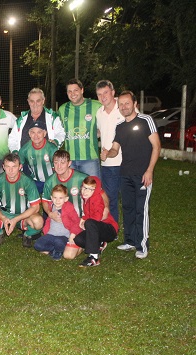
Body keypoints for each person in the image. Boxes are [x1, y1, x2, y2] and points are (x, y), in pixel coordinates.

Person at [101, 90, 161, 259]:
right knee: (128, 208)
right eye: (121, 104)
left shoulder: (146, 120)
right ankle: (130, 241)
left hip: (142, 175)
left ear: (135, 104)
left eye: (127, 103)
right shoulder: (120, 126)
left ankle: (142, 245)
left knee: (141, 209)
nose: (124, 107)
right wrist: (107, 153)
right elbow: (115, 149)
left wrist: (149, 171)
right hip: (125, 174)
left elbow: (156, 146)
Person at [0, 153, 43, 247]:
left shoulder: (27, 181)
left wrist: (16, 219)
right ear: (3, 167)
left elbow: (36, 207)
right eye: (8, 166)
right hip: (4, 214)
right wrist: (4, 218)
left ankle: (27, 234)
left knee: (39, 222)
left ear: (20, 167)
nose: (11, 170)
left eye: (14, 166)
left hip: (23, 215)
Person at [58, 78, 102, 178]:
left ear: (82, 90)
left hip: (90, 159)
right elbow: (57, 131)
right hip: (69, 161)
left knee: (93, 190)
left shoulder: (96, 106)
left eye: (75, 90)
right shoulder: (62, 109)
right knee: (72, 191)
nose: (72, 93)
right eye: (69, 91)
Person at [72, 176, 119, 267]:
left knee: (89, 223)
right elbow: (88, 215)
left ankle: (94, 257)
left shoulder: (97, 199)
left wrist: (84, 223)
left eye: (90, 189)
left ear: (96, 190)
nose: (85, 191)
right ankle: (100, 243)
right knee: (78, 240)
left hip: (109, 229)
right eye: (84, 187)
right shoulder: (86, 199)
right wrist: (83, 220)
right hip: (97, 228)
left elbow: (97, 218)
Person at [96, 80, 124, 222]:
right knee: (110, 197)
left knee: (129, 198)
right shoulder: (99, 113)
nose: (103, 97)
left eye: (106, 92)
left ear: (113, 92)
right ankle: (113, 227)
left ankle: (135, 231)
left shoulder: (124, 107)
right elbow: (100, 132)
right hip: (107, 163)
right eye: (99, 94)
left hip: (127, 162)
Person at [33, 184, 81, 261]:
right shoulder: (51, 206)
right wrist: (46, 231)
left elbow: (76, 221)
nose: (57, 200)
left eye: (61, 198)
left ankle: (58, 251)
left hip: (63, 236)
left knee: (59, 243)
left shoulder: (69, 208)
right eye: (55, 198)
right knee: (37, 245)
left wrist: (73, 234)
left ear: (66, 199)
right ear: (51, 198)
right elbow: (49, 220)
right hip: (51, 234)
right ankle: (53, 249)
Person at [42, 150, 88, 219]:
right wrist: (50, 213)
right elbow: (45, 201)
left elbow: (99, 194)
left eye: (62, 163)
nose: (59, 166)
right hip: (60, 219)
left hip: (80, 219)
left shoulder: (82, 178)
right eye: (56, 163)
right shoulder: (50, 181)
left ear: (69, 163)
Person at [17, 120, 58, 194]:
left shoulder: (52, 149)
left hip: (52, 181)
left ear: (44, 133)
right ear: (29, 134)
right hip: (35, 182)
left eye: (39, 132)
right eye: (33, 132)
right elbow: (18, 168)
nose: (36, 136)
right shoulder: (24, 149)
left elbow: (58, 169)